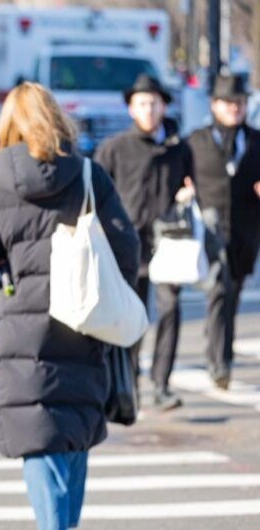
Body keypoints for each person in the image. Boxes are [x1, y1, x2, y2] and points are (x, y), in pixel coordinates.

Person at [0, 82, 139, 530]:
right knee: (73, 435)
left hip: (23, 331)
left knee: (41, 440)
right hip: (84, 323)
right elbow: (128, 251)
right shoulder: (87, 176)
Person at [94, 74, 194, 410]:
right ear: (131, 109)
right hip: (127, 245)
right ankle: (129, 384)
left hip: (169, 243)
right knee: (131, 317)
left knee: (170, 310)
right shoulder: (115, 148)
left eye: (154, 103)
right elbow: (94, 192)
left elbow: (195, 183)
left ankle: (162, 384)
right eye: (142, 104)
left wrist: (188, 192)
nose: (149, 110)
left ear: (164, 105)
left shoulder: (178, 149)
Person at [187, 74, 260, 390]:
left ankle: (222, 348)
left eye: (240, 103)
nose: (235, 109)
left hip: (246, 231)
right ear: (215, 105)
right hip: (210, 229)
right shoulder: (196, 142)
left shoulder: (257, 140)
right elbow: (180, 176)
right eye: (229, 103)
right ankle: (219, 361)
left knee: (233, 291)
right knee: (219, 289)